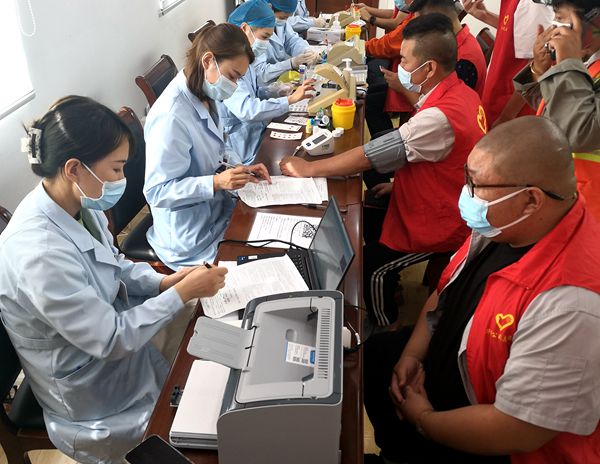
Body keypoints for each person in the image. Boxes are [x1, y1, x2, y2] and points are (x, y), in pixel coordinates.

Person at [0, 96, 228, 463]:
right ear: (74, 168)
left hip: (111, 338)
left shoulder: (73, 203)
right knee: (191, 429)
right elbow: (109, 339)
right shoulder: (38, 253)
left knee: (206, 334)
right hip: (91, 395)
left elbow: (114, 264)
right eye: (117, 169)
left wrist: (165, 284)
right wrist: (177, 294)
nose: (122, 179)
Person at [363, 116, 600, 464]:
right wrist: (411, 355)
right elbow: (445, 291)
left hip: (497, 439)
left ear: (531, 200)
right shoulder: (502, 223)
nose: (467, 195)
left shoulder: (570, 305)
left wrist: (424, 420)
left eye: (476, 185)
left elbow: (517, 429)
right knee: (377, 355)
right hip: (459, 366)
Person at [281, 15, 487, 327]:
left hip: (443, 222)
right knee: (365, 213)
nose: (399, 66)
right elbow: (443, 158)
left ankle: (382, 324)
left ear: (429, 68)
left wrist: (309, 168)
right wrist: (399, 185)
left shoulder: (439, 116)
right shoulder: (460, 93)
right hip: (441, 195)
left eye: (405, 60)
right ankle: (392, 289)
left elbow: (370, 156)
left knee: (372, 267)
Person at [144, 23, 271, 271]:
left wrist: (241, 168)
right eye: (232, 76)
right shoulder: (171, 116)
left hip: (216, 211)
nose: (234, 85)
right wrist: (216, 183)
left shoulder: (205, 92)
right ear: (208, 61)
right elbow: (157, 192)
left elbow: (219, 148)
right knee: (254, 264)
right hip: (190, 235)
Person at [513, 0, 600, 219]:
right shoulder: (589, 62)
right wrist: (539, 71)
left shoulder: (576, 63)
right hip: (570, 200)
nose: (554, 32)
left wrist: (566, 64)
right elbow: (558, 113)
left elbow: (579, 130)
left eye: (561, 22)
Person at [220, 0, 315, 164]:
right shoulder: (228, 65)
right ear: (244, 28)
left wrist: (275, 91)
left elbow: (254, 91)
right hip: (243, 148)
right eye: (265, 37)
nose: (265, 43)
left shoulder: (245, 55)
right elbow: (247, 110)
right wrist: (289, 100)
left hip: (258, 133)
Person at [463, 0, 553, 125]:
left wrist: (505, 117)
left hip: (511, 107)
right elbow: (519, 31)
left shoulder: (534, 4)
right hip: (498, 97)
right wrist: (485, 15)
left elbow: (537, 65)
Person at [381, 0, 488, 103]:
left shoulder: (463, 62)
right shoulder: (453, 43)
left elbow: (444, 108)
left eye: (422, 26)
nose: (419, 33)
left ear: (438, 21)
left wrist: (404, 89)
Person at [254, 0, 319, 85]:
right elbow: (261, 73)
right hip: (265, 85)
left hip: (280, 80)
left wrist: (306, 51)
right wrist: (290, 63)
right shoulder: (256, 30)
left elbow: (292, 40)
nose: (285, 21)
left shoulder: (280, 21)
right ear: (270, 8)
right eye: (282, 17)